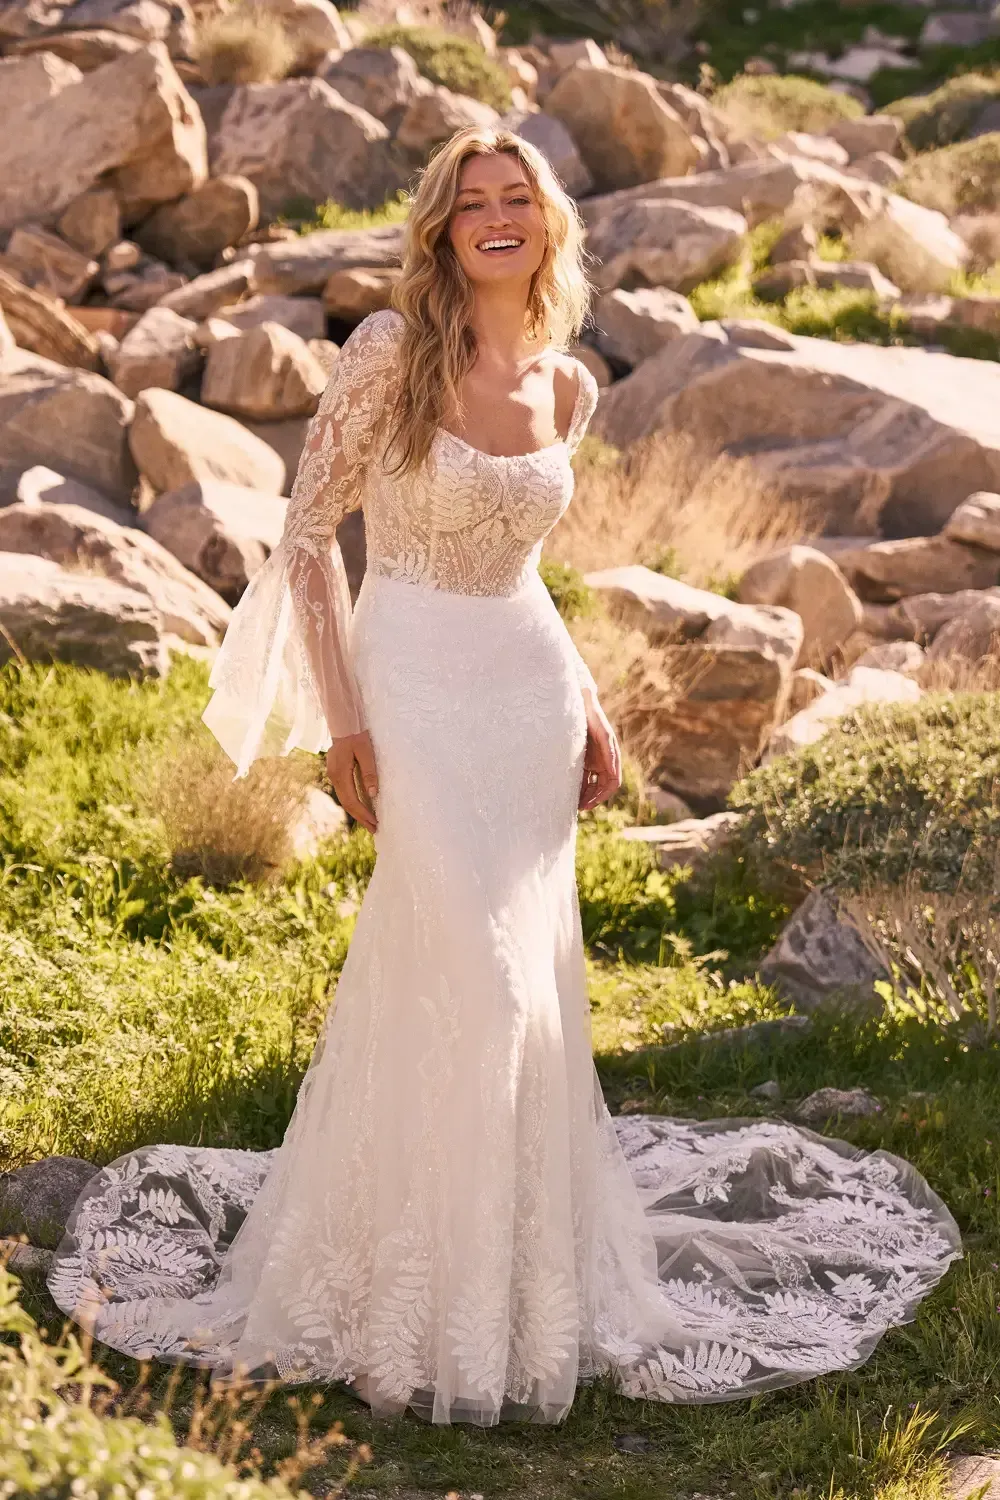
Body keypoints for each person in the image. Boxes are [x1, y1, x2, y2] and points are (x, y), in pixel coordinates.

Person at [47, 127, 962, 1428]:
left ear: (546, 224)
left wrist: (586, 701)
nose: (494, 217)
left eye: (515, 198)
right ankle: (406, 1293)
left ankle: (513, 1290)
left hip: (524, 692)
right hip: (411, 676)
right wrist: (344, 719)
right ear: (440, 228)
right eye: (470, 201)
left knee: (519, 982)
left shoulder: (569, 384)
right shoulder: (389, 351)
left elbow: (529, 571)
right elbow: (308, 539)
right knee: (466, 971)